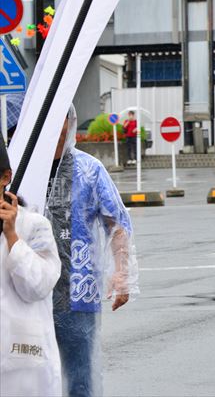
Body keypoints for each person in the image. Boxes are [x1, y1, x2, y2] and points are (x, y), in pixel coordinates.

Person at [46, 106, 138, 396]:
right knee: (29, 368)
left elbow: (117, 223)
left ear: (70, 122)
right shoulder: (22, 168)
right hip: (28, 285)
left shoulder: (89, 168)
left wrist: (122, 276)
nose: (53, 125)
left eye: (58, 117)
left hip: (78, 286)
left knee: (80, 374)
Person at [0, 136, 63, 397]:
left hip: (23, 364)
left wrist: (13, 236)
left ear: (5, 177)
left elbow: (37, 287)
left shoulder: (34, 226)